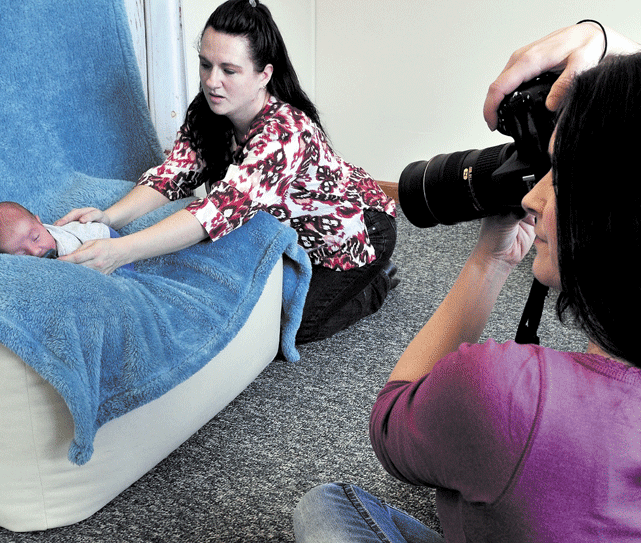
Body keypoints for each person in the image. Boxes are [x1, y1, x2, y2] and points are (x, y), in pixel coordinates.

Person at [294, 24, 641, 543]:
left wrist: (488, 260)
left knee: (327, 505)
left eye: (559, 173)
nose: (531, 196)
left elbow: (390, 422)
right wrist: (603, 46)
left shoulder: (508, 392)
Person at [54, 0, 398, 344]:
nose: (211, 81)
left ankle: (376, 283)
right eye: (206, 65)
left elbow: (212, 215)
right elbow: (172, 175)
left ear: (264, 74)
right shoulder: (207, 111)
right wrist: (108, 218)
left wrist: (121, 250)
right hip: (291, 239)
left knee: (286, 330)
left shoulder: (283, 133)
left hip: (354, 237)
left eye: (228, 71)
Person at [0, 201, 132, 269]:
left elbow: (118, 247)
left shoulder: (78, 242)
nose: (35, 251)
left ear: (40, 223)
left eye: (36, 238)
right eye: (20, 252)